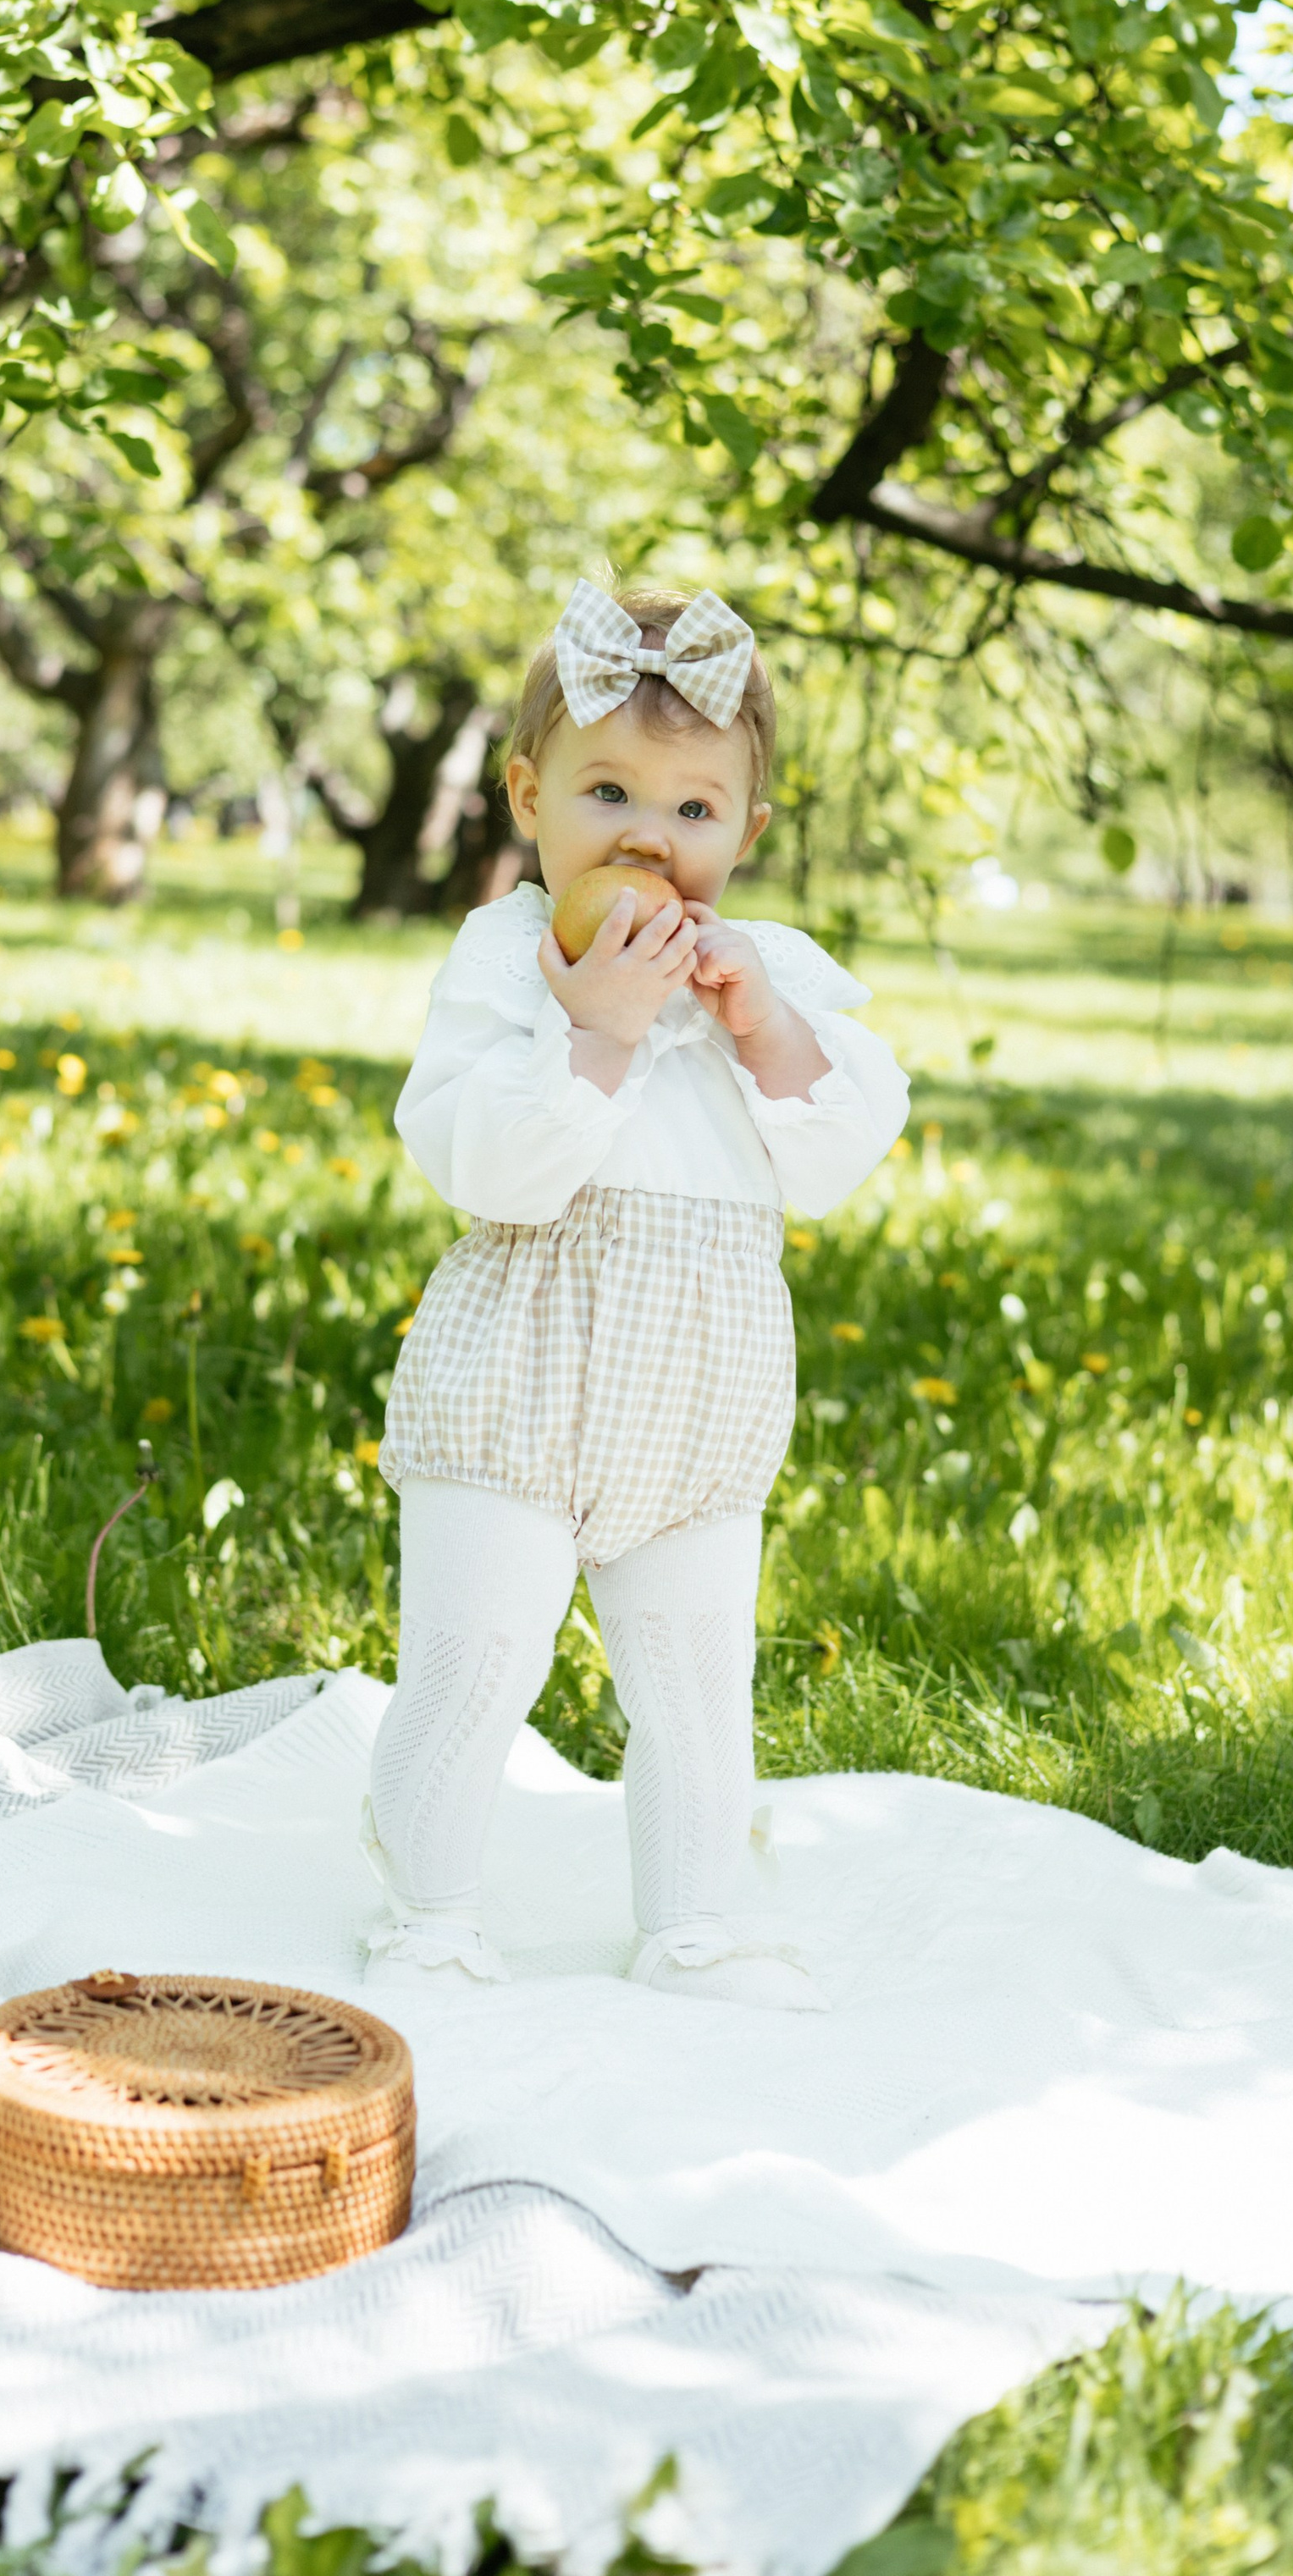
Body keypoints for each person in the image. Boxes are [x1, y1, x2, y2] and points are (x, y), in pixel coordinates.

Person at [364, 582, 910, 2010]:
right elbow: (485, 1165)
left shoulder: (773, 972)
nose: (647, 841)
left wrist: (768, 1029)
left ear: (748, 832)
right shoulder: (507, 961)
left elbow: (845, 1152)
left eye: (693, 812)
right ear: (530, 798)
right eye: (608, 792)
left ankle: (697, 1921)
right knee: (475, 1662)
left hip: (699, 1406)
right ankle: (428, 1908)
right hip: (521, 1390)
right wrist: (593, 1035)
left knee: (690, 1687)